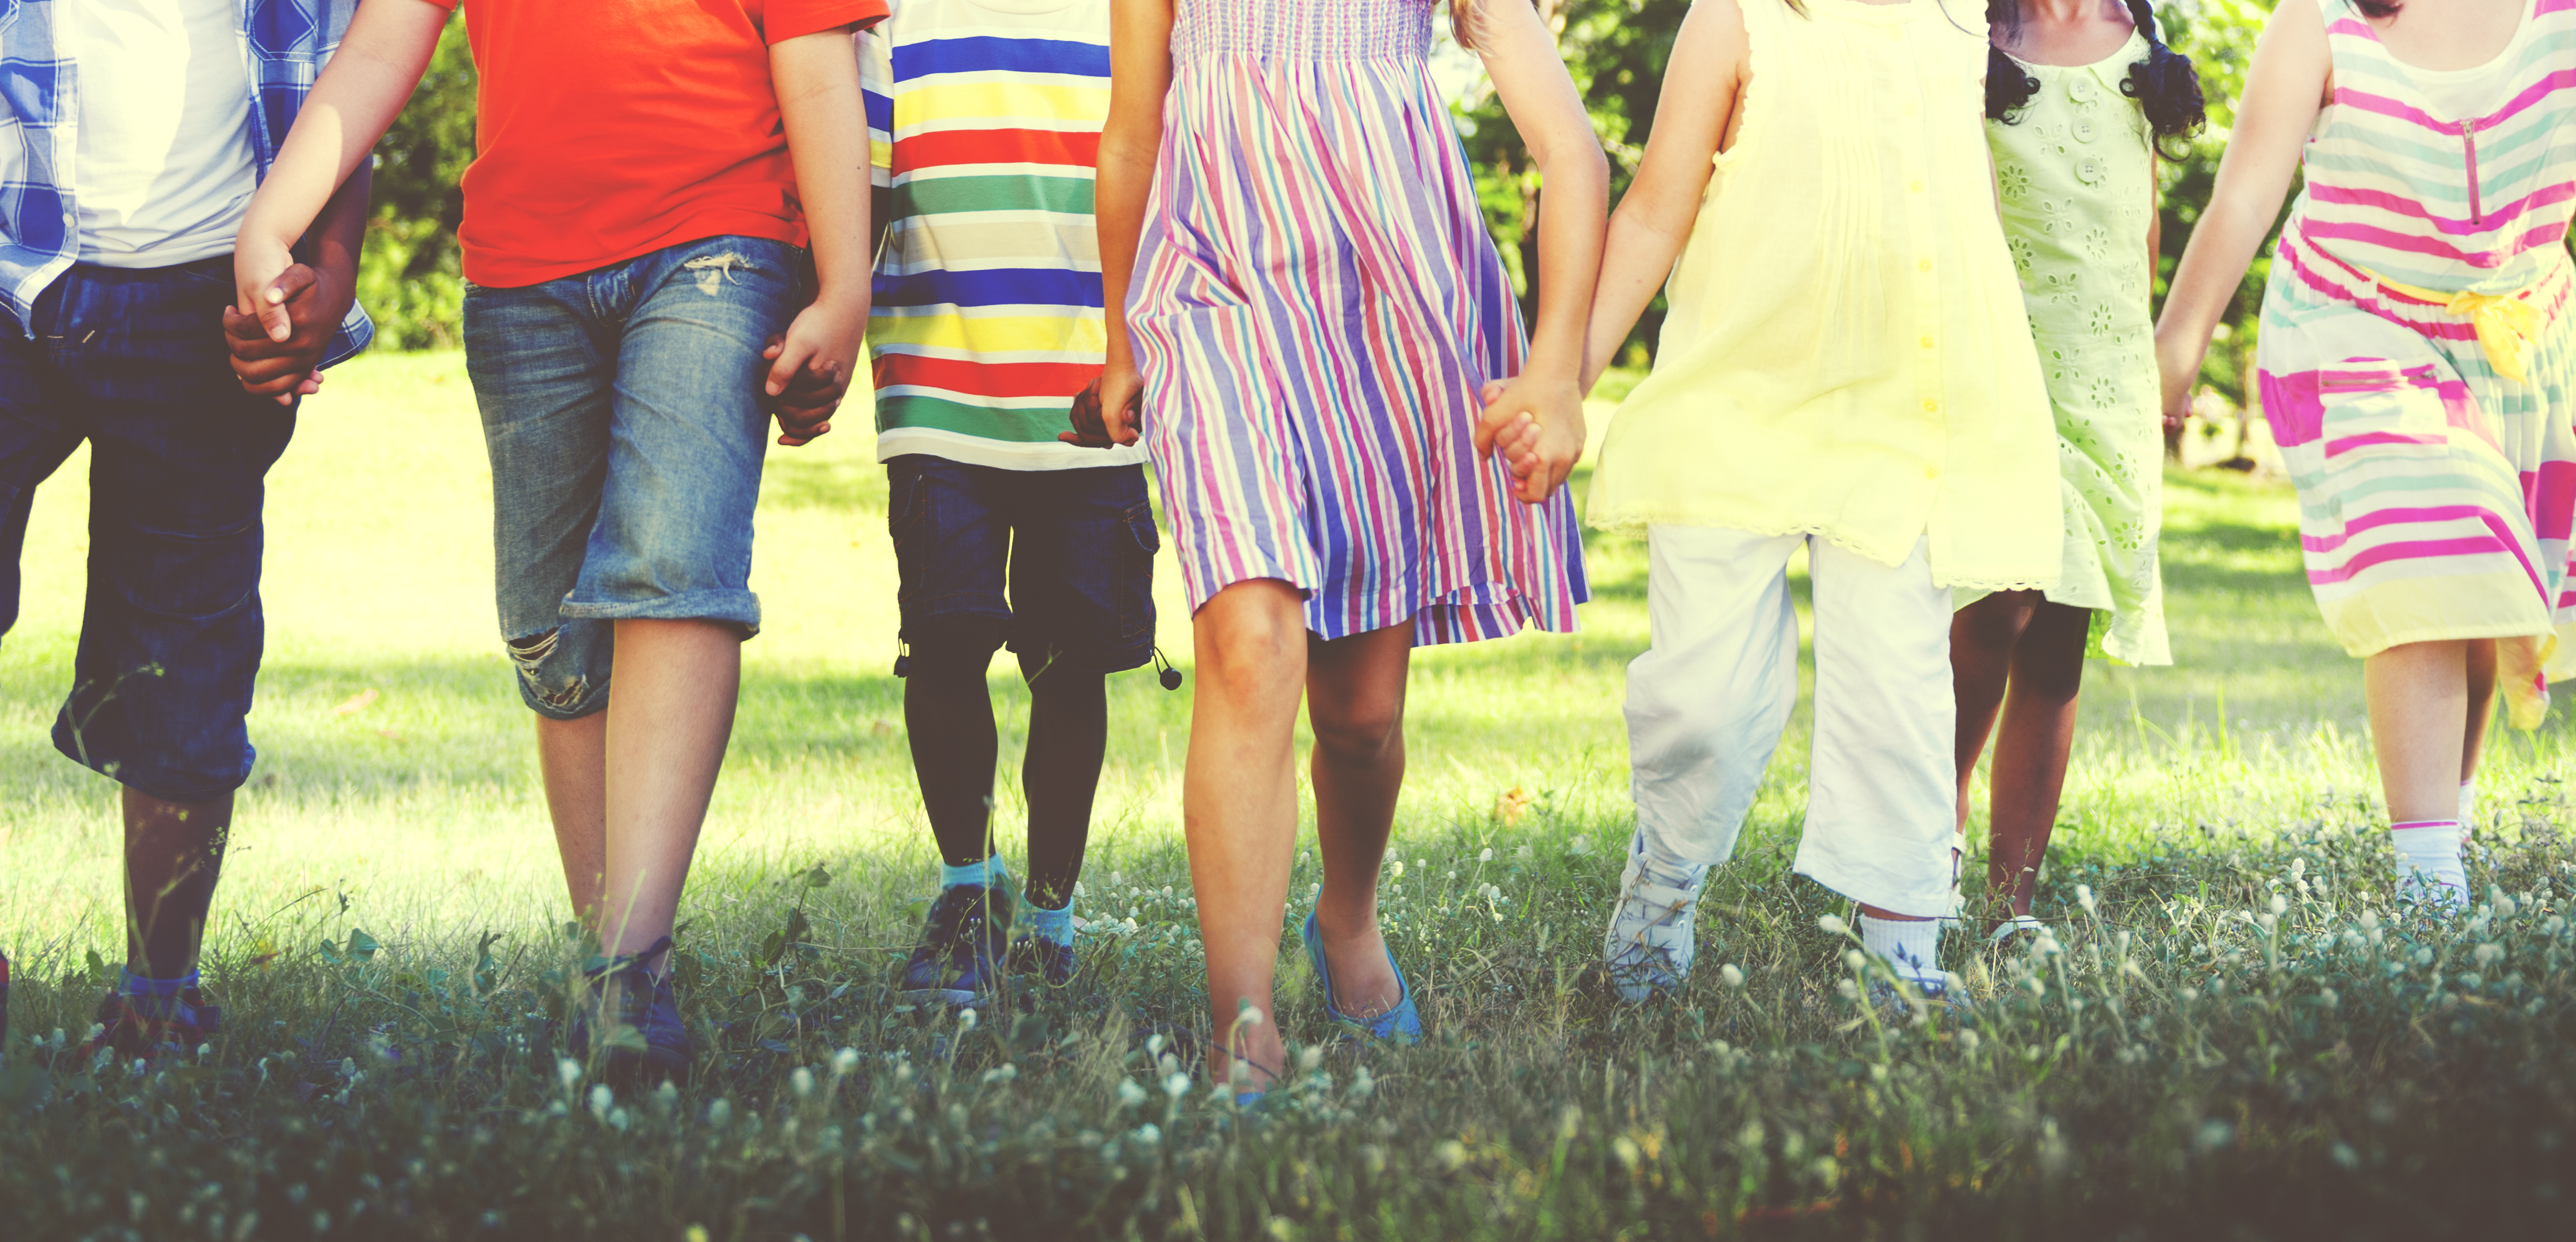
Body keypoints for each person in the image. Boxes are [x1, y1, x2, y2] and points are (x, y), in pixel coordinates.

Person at [235, 0, 880, 1081]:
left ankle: (635, 970)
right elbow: (385, 41)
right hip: (522, 273)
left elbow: (815, 59)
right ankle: (605, 970)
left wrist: (845, 283)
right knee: (551, 629)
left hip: (718, 240)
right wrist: (273, 222)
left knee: (673, 564)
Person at [1077, 0, 1602, 1090]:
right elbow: (1133, 128)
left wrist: (1554, 371)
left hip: (1392, 307)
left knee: (1361, 719)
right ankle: (1247, 1027)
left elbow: (1572, 151)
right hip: (1212, 293)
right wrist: (1120, 336)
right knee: (1251, 644)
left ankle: (1347, 918)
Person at [1582, 0, 2062, 1009]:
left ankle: (1902, 949)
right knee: (1704, 701)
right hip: (1735, 403)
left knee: (1900, 685)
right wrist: (1564, 378)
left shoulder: (1954, 17)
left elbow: (1961, 205)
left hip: (1902, 410)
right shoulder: (1737, 19)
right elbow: (1655, 210)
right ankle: (1661, 894)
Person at [0, 0, 376, 1060]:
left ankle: (157, 1002)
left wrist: (329, 274)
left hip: (207, 307)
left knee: (183, 657)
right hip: (9, 277)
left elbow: (350, 85)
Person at [2156, 0, 2575, 913]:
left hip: (2516, 337)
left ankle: (2446, 833)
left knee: (2482, 590)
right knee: (2433, 545)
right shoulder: (2323, 20)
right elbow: (2245, 196)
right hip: (2357, 325)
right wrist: (2175, 353)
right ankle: (2430, 890)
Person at [857, 0, 1156, 1001]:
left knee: (1067, 664)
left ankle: (1049, 916)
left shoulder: (1135, 13)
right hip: (938, 382)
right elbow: (854, 182)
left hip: (1093, 387)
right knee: (943, 640)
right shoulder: (890, 15)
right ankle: (965, 888)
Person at [1959, 0, 2199, 940]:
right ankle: (1919, 842)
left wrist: (2145, 365)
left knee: (2058, 645)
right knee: (1994, 606)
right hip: (2002, 368)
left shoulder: (2138, 33)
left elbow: (2138, 230)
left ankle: (2009, 906)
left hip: (2104, 379)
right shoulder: (1969, 31)